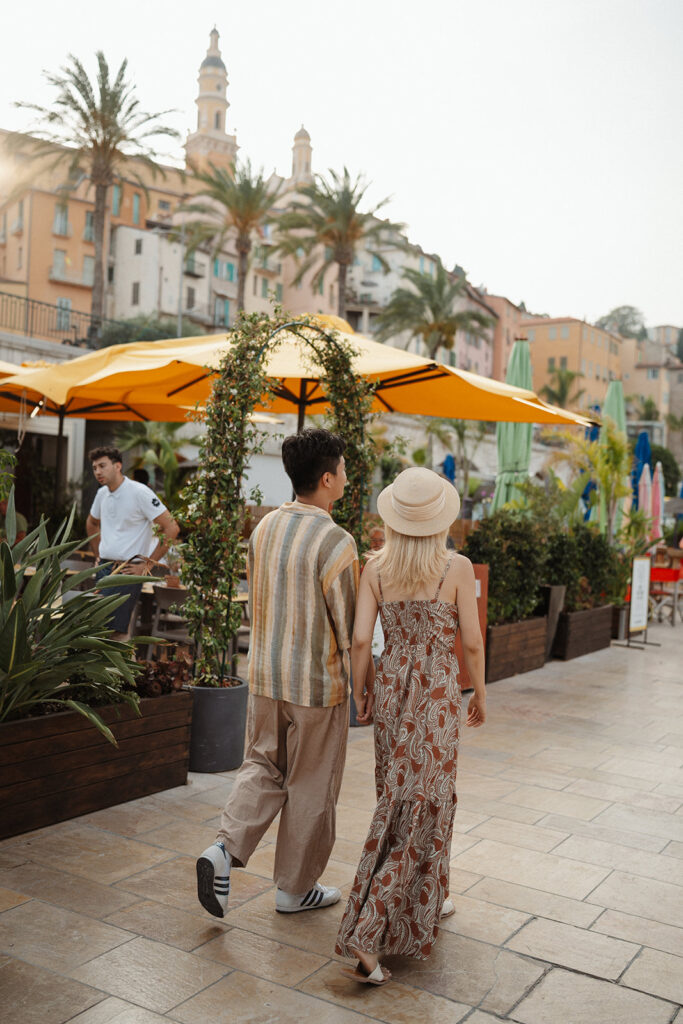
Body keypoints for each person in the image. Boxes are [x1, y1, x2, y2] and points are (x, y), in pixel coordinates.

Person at [196, 428, 361, 919]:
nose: (348, 475)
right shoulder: (336, 541)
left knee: (262, 766)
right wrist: (363, 686)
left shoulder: (264, 528)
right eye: (345, 468)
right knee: (311, 783)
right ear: (328, 478)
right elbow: (350, 627)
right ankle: (294, 889)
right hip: (316, 685)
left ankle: (223, 851)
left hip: (266, 676)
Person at [336, 466, 486, 986]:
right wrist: (480, 693)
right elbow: (471, 642)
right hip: (439, 691)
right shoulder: (457, 567)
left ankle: (429, 900)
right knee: (428, 798)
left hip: (393, 684)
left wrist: (361, 689)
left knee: (397, 797)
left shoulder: (374, 567)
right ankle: (369, 929)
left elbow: (360, 641)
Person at [85, 446, 179, 640]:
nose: (98, 472)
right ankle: (124, 668)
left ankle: (121, 669)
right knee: (99, 628)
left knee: (112, 630)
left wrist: (147, 565)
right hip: (104, 567)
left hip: (128, 570)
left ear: (118, 466)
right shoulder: (102, 494)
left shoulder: (140, 492)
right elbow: (92, 523)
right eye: (94, 468)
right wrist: (97, 556)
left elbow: (172, 528)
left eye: (102, 466)